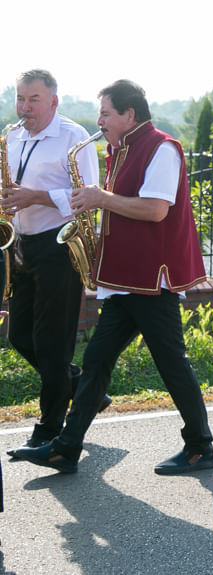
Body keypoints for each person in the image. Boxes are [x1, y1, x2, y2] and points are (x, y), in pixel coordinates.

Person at [14, 79, 213, 475]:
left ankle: (200, 448)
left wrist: (100, 198)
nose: (99, 119)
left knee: (172, 365)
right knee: (95, 361)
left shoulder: (162, 148)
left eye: (106, 112)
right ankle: (66, 448)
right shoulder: (119, 150)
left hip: (151, 281)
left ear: (130, 114)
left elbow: (156, 210)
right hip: (126, 280)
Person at [2, 69, 110, 460]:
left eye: (33, 99)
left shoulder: (74, 137)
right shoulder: (12, 136)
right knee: (19, 337)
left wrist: (36, 197)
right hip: (21, 244)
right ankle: (81, 388)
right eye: (20, 99)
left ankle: (47, 432)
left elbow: (86, 196)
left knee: (51, 343)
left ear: (53, 101)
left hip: (60, 246)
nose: (25, 107)